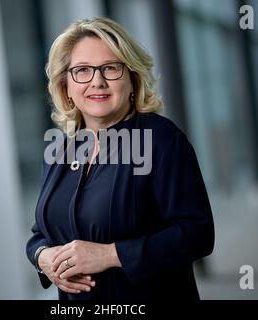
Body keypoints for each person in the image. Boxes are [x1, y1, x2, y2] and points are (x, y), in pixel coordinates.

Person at [26, 17, 214, 300]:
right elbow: (41, 231)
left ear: (132, 77)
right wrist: (42, 258)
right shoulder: (60, 151)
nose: (97, 81)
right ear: (66, 86)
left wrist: (111, 255)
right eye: (82, 70)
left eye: (110, 68)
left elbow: (197, 234)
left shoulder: (161, 139)